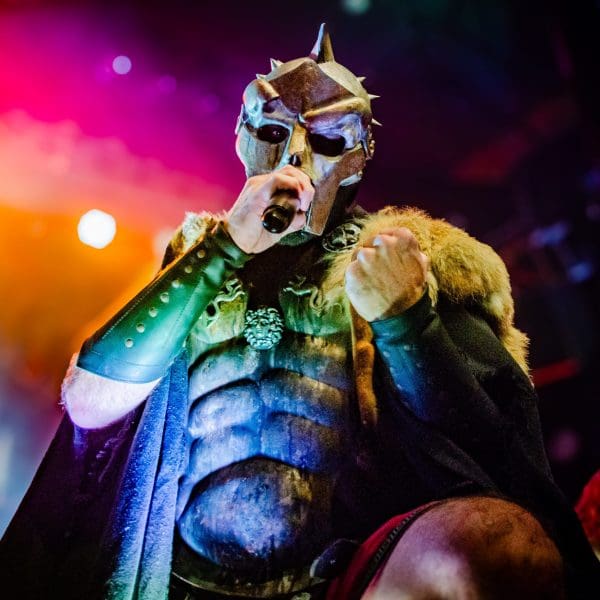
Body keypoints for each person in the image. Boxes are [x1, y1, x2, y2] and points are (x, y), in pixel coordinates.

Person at [2, 24, 599, 600]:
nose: (295, 156)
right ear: (242, 136)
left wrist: (408, 321)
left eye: (328, 140)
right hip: (180, 580)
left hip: (344, 580)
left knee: (497, 538)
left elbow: (489, 450)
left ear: (361, 156)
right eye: (273, 131)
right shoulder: (196, 259)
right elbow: (90, 402)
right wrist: (220, 250)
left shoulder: (413, 258)